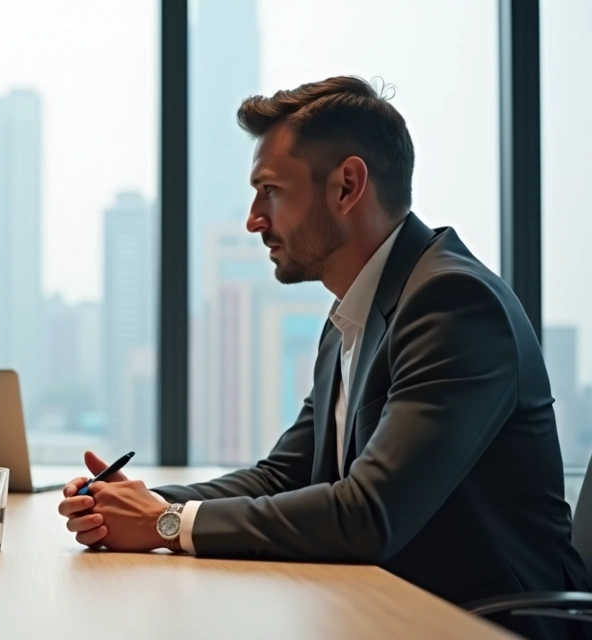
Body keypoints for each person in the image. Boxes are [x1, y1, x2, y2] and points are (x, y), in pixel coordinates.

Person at [57, 76, 587, 639]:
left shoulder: (453, 305)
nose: (254, 218)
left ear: (347, 186)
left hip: (485, 624)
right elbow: (283, 476)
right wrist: (136, 504)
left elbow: (367, 515)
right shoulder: (353, 315)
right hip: (384, 608)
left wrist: (165, 525)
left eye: (271, 191)